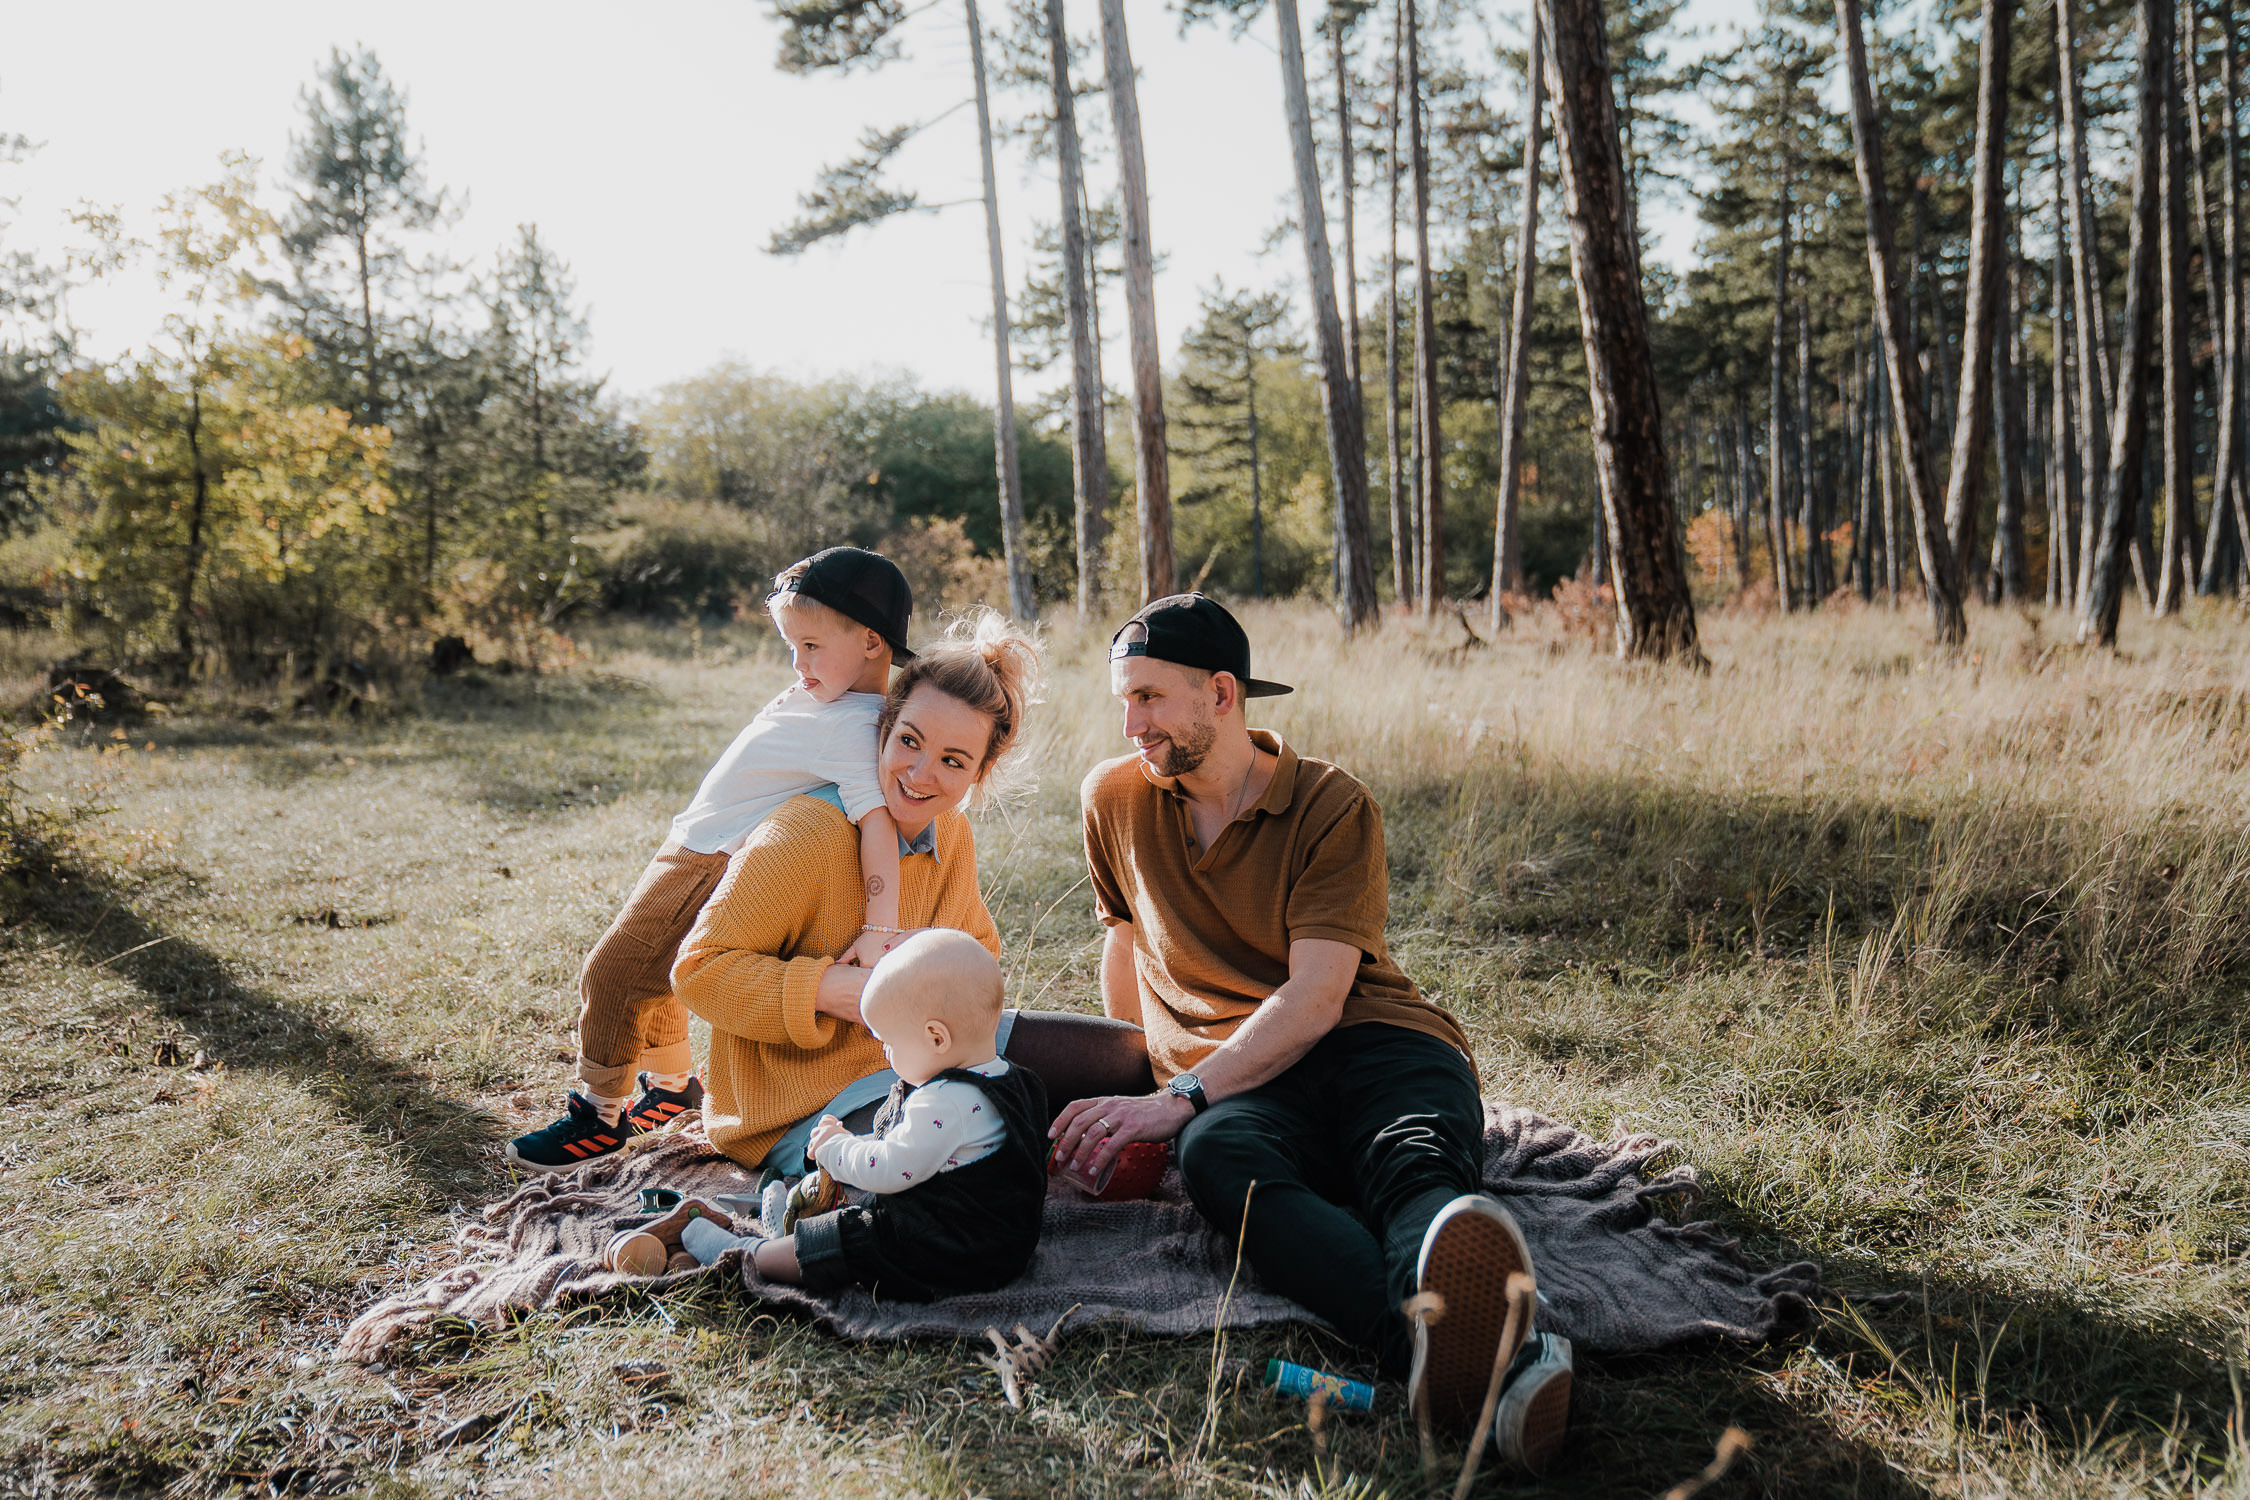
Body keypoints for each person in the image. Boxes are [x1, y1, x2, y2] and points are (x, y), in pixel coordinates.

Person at [1049, 593, 1574, 1473]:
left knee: (1412, 1167)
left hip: (1374, 1042)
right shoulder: (1114, 797)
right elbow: (1125, 940)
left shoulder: (1331, 803)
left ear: (1221, 694)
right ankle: (1471, 1357)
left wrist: (1178, 1096)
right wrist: (1142, 1091)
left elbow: (1317, 999)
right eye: (1122, 699)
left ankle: (1452, 1345)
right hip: (1240, 1082)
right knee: (1218, 1163)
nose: (1129, 722)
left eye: (1148, 697)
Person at [507, 546, 922, 1173]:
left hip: (705, 859)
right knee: (662, 977)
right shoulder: (833, 698)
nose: (797, 661)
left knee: (614, 974)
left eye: (810, 645)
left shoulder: (855, 725)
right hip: (693, 846)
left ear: (871, 641)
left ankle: (599, 1114)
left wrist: (879, 928)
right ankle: (675, 1091)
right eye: (792, 645)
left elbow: (878, 826)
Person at [611, 929, 1049, 1300]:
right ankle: (786, 1219)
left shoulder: (944, 1102)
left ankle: (747, 1254)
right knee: (862, 1216)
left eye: (890, 1043)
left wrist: (838, 1148)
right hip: (1002, 1242)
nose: (886, 1055)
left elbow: (890, 1168)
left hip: (949, 1253)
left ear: (936, 1038)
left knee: (849, 1238)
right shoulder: (1017, 1080)